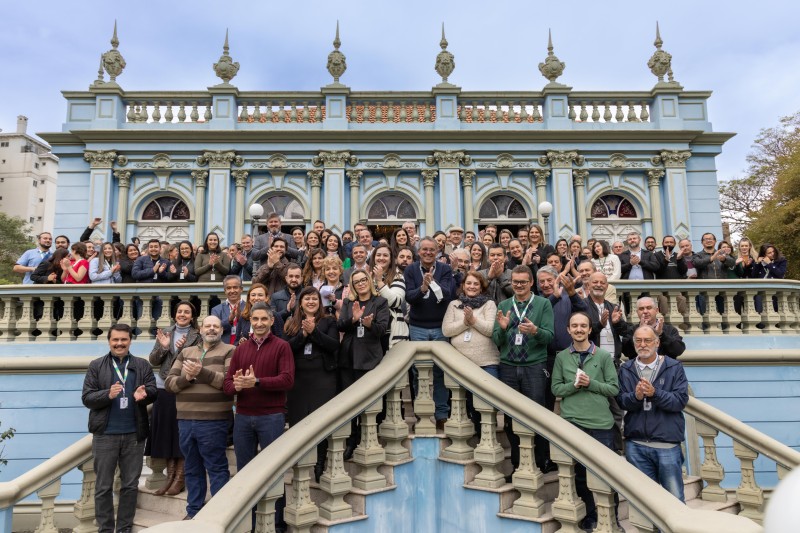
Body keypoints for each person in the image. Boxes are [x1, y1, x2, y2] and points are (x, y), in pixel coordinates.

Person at [223, 303, 295, 528]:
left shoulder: (282, 346)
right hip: (243, 418)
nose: (259, 323)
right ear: (250, 321)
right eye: (255, 319)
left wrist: (256, 381)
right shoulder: (241, 349)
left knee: (273, 472)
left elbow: (287, 380)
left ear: (272, 321)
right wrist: (237, 385)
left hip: (271, 417)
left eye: (264, 319)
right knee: (244, 473)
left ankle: (277, 524)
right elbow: (227, 386)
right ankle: (249, 522)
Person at [81, 323, 157, 533]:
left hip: (134, 435)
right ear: (109, 341)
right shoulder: (97, 366)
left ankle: (124, 528)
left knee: (130, 486)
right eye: (115, 340)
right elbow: (87, 398)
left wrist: (145, 395)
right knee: (103, 487)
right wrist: (107, 394)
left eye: (123, 340)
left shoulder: (142, 365)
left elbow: (153, 390)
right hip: (105, 436)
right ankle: (105, 529)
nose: (119, 343)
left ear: (130, 341)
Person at [551, 311, 620, 531]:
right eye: (574, 326)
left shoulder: (603, 356)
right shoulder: (562, 357)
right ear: (568, 330)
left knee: (606, 475)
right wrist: (574, 385)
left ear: (590, 329)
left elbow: (614, 388)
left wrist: (590, 383)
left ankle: (612, 519)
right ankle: (591, 517)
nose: (579, 329)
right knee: (581, 475)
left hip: (601, 425)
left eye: (583, 326)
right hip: (573, 424)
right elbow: (555, 389)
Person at [165, 315, 235, 519]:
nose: (212, 329)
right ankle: (194, 511)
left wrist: (201, 372)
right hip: (186, 421)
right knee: (192, 467)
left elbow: (228, 384)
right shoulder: (186, 352)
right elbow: (170, 383)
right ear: (200, 329)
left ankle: (219, 515)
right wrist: (186, 378)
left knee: (216, 468)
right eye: (208, 326)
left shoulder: (230, 351)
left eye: (216, 326)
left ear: (222, 331)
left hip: (214, 422)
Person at [493, 265, 554, 474]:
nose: (518, 286)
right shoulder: (503, 304)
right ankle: (518, 464)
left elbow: (549, 337)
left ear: (531, 283)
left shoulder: (543, 304)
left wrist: (536, 331)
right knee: (511, 417)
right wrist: (502, 329)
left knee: (536, 415)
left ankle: (541, 461)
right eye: (515, 282)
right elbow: (496, 339)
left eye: (523, 282)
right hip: (508, 368)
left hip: (534, 366)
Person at [617, 325, 689, 502]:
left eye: (647, 340)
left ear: (657, 342)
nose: (643, 344)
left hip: (667, 445)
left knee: (674, 500)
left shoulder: (673, 367)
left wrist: (654, 393)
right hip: (636, 445)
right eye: (638, 341)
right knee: (646, 502)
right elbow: (621, 401)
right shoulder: (626, 369)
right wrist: (636, 396)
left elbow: (680, 401)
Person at [284, 287, 340, 481]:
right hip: (298, 380)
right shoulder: (292, 323)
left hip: (323, 378)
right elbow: (286, 349)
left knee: (320, 423)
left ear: (319, 301)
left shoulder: (329, 321)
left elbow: (333, 345)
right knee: (298, 423)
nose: (310, 301)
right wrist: (303, 335)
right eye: (306, 298)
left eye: (314, 298)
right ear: (300, 302)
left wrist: (314, 331)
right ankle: (299, 463)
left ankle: (319, 462)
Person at [147, 301, 202, 496]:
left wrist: (180, 350)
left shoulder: (198, 335)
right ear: (174, 314)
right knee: (167, 434)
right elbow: (153, 360)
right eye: (180, 311)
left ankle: (180, 477)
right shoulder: (166, 333)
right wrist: (163, 347)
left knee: (182, 434)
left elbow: (199, 361)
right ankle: (169, 477)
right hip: (164, 387)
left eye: (187, 312)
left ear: (192, 316)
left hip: (185, 387)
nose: (183, 314)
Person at [404, 237, 456, 429]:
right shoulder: (410, 270)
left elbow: (448, 295)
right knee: (419, 372)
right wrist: (423, 288)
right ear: (418, 252)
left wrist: (433, 283)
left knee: (440, 372)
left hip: (440, 326)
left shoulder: (444, 269)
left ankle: (441, 414)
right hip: (417, 327)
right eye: (424, 249)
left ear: (437, 251)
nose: (428, 253)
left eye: (431, 250)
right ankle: (421, 412)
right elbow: (409, 296)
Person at [337, 271, 391, 456]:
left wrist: (369, 325)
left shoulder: (380, 302)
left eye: (363, 280)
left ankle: (365, 436)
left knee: (367, 401)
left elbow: (382, 329)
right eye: (356, 281)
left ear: (369, 281)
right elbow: (341, 325)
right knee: (350, 401)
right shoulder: (348, 302)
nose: (360, 284)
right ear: (352, 285)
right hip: (348, 357)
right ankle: (352, 439)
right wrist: (354, 319)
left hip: (369, 357)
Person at [441, 271, 499, 431]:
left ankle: (488, 439)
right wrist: (466, 323)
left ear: (481, 288)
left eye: (476, 284)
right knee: (468, 406)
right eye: (469, 283)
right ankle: (476, 439)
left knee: (486, 405)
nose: (472, 286)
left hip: (486, 363)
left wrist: (473, 320)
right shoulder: (454, 304)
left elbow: (490, 330)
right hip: (461, 365)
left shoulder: (489, 304)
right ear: (463, 286)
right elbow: (446, 330)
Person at [369, 243, 409, 348]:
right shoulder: (367, 276)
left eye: (385, 255)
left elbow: (395, 301)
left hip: (392, 331)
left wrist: (379, 281)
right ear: (374, 258)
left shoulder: (398, 277)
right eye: (378, 255)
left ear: (391, 259)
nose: (381, 258)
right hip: (371, 330)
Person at [621, 297, 686, 359]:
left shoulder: (670, 330)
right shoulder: (631, 330)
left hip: (665, 369)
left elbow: (678, 350)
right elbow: (626, 352)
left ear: (656, 310)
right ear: (637, 312)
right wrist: (640, 332)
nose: (645, 311)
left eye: (649, 308)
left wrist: (661, 335)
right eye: (641, 309)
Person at [210, 275, 245, 345]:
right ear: (225, 291)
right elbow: (214, 329)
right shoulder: (216, 310)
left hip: (243, 347)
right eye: (228, 288)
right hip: (223, 349)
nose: (232, 291)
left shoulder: (249, 307)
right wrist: (229, 320)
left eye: (235, 287)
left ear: (241, 289)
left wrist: (239, 318)